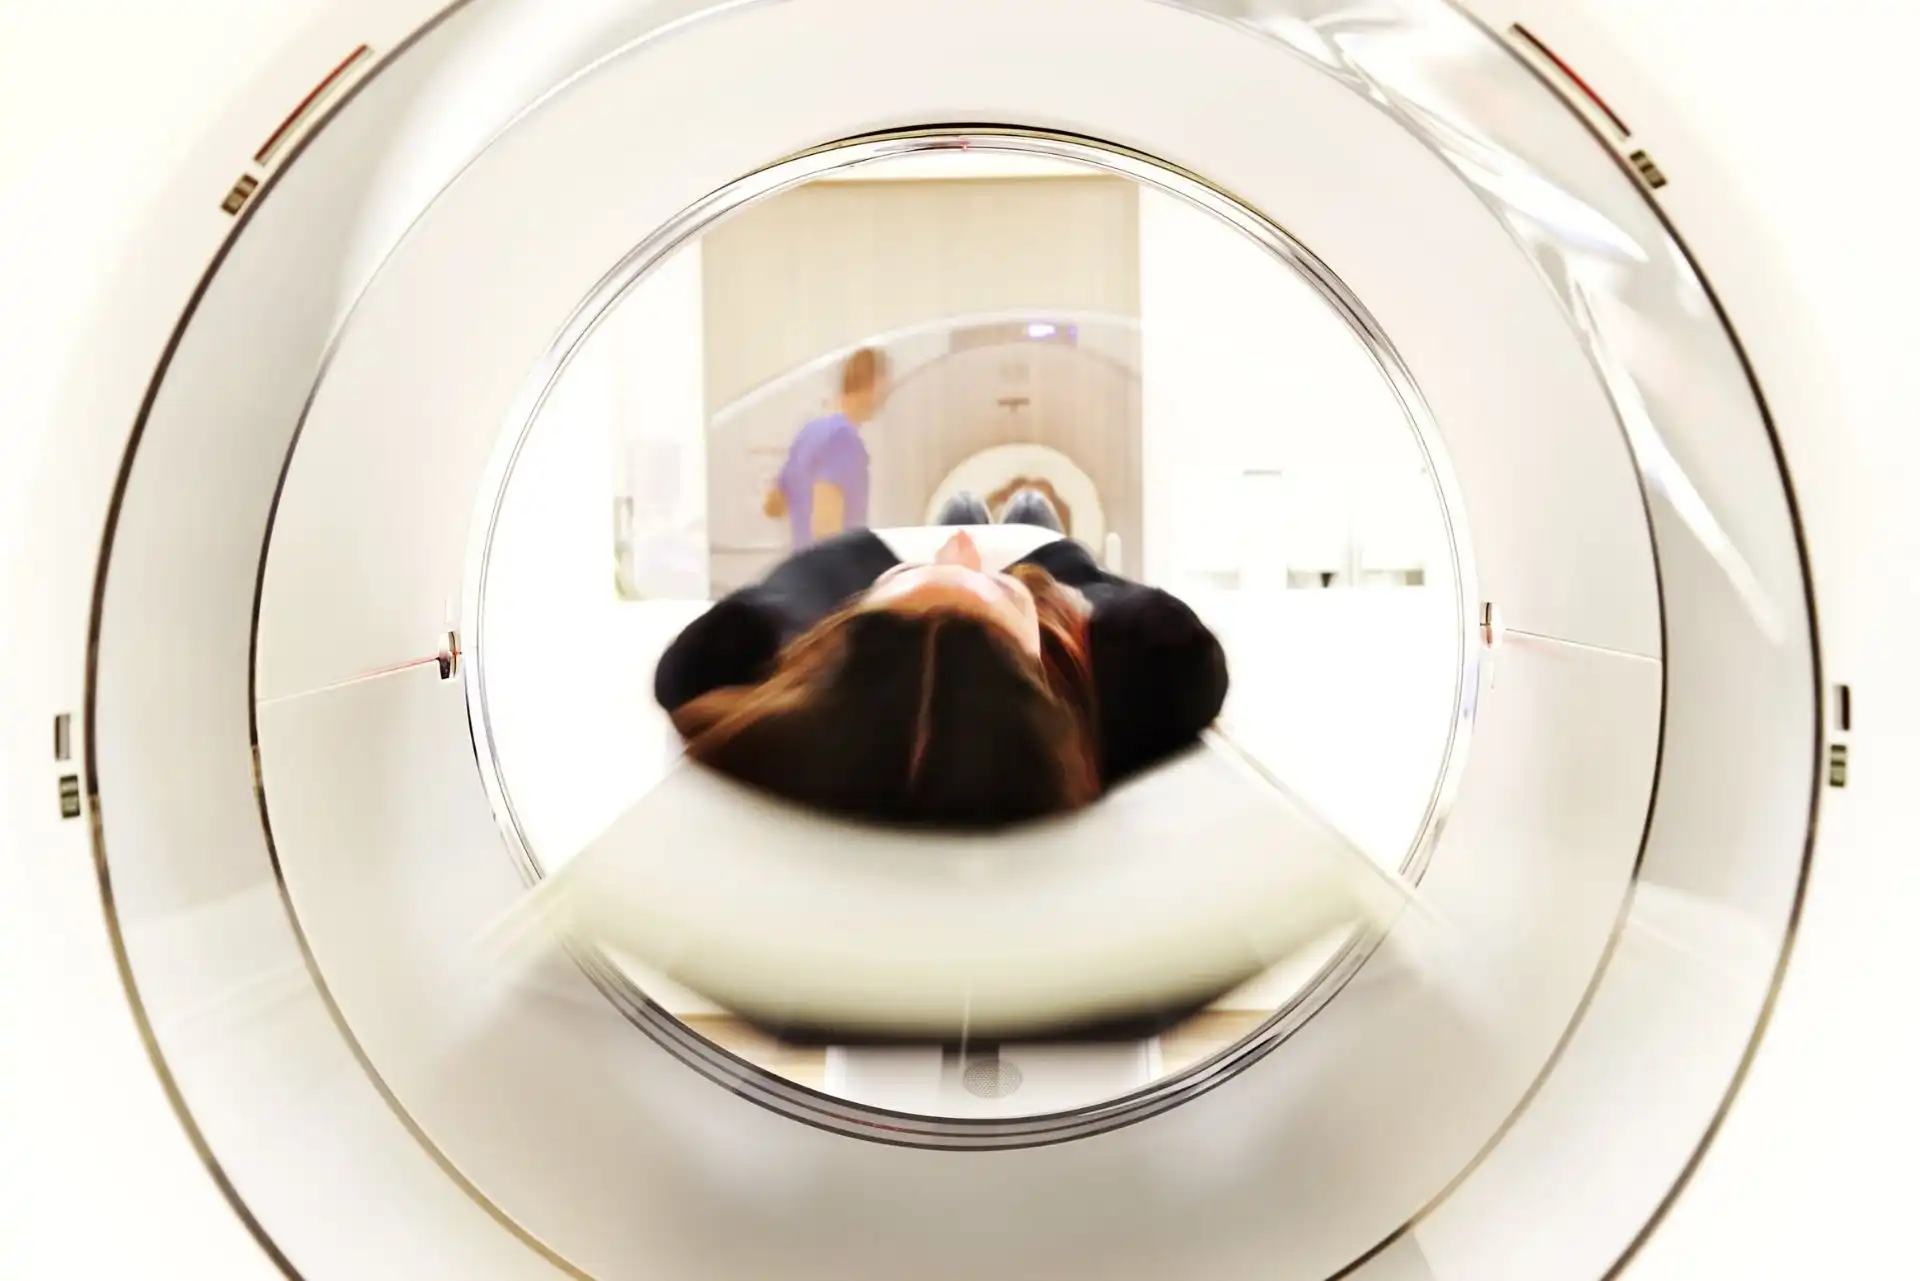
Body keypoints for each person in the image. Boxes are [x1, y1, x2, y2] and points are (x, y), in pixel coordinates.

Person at [655, 488, 1228, 828]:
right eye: (1004, 595)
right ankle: (1027, 529)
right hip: (1049, 578)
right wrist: (1025, 591)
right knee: (1046, 540)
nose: (963, 555)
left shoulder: (792, 673)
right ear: (1039, 670)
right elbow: (1178, 652)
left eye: (913, 575)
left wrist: (933, 579)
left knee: (955, 523)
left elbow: (697, 669)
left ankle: (971, 525)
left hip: (861, 608)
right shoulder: (1088, 694)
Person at [763, 346, 891, 549]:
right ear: (876, 384)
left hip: (804, 566)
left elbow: (772, 506)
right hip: (830, 571)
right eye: (886, 389)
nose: (885, 399)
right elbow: (826, 529)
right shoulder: (843, 439)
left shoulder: (807, 433)